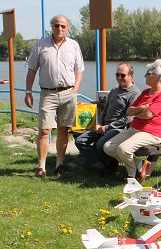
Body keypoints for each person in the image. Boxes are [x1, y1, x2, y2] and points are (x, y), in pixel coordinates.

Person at [25, 14, 84, 178]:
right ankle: (41, 168)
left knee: (63, 130)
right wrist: (28, 91)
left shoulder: (73, 46)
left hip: (68, 93)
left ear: (67, 28)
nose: (60, 29)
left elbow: (79, 69)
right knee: (44, 130)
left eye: (63, 26)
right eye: (57, 25)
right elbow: (31, 69)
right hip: (48, 93)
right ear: (52, 27)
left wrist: (76, 89)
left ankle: (59, 165)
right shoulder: (40, 45)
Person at [103, 59, 161, 182]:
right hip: (133, 129)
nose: (145, 75)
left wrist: (139, 112)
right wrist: (141, 108)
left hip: (150, 133)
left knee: (123, 149)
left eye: (148, 73)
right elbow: (129, 111)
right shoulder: (146, 92)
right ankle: (140, 164)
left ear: (157, 76)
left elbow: (148, 115)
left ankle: (131, 175)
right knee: (108, 147)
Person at [75, 63, 140, 174]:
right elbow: (105, 110)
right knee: (80, 140)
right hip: (104, 125)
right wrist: (99, 123)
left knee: (100, 144)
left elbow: (128, 119)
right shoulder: (114, 90)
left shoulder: (135, 94)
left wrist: (107, 127)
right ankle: (102, 164)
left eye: (122, 75)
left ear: (131, 76)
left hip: (120, 129)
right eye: (117, 75)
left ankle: (108, 166)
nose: (119, 78)